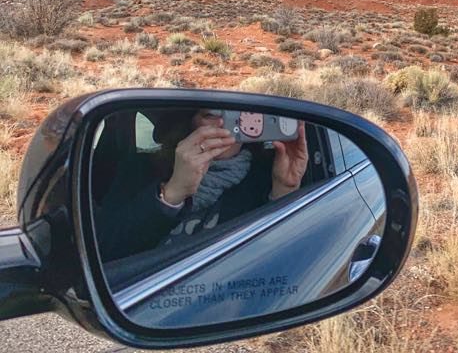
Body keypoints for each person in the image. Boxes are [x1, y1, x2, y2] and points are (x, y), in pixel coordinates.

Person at [95, 109, 308, 261]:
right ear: (190, 124)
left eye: (237, 115)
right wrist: (172, 193)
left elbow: (276, 259)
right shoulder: (140, 169)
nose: (225, 124)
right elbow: (107, 251)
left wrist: (284, 190)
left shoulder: (263, 179)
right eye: (212, 115)